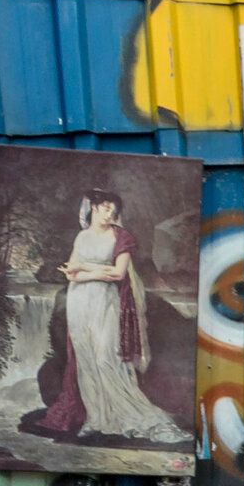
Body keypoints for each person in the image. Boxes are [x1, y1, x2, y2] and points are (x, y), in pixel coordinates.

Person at [25, 189, 190, 445]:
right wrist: (88, 271)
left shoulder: (121, 237)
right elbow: (71, 275)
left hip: (107, 302)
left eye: (113, 209)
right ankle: (96, 419)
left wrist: (86, 268)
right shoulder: (82, 237)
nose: (110, 213)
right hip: (79, 303)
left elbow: (118, 274)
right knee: (87, 361)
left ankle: (128, 414)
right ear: (93, 208)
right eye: (105, 208)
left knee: (106, 358)